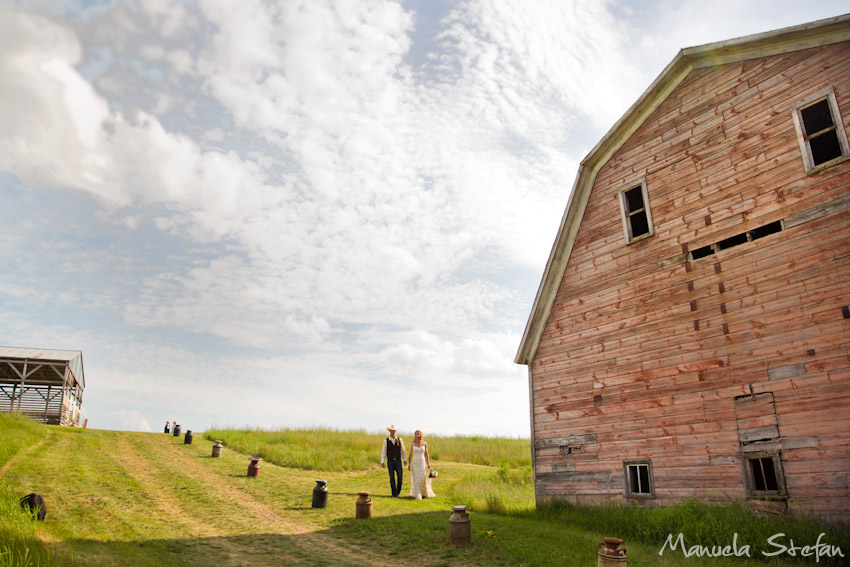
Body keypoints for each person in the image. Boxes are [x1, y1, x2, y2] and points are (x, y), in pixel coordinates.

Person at [408, 430, 436, 500]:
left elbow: (426, 454)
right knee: (416, 478)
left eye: (419, 434)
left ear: (421, 435)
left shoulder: (424, 443)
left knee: (422, 478)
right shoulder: (412, 444)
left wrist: (428, 463)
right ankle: (418, 494)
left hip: (422, 462)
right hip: (415, 463)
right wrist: (409, 464)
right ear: (415, 435)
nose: (418, 435)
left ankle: (423, 493)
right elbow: (410, 454)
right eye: (416, 434)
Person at [380, 425, 407, 497]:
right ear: (390, 431)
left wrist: (405, 459)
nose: (393, 432)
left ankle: (398, 491)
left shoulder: (400, 440)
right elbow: (384, 452)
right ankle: (394, 493)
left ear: (395, 431)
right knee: (392, 478)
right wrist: (382, 461)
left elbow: (403, 450)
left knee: (400, 477)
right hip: (390, 461)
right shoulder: (386, 441)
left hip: (398, 461)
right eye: (391, 430)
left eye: (394, 430)